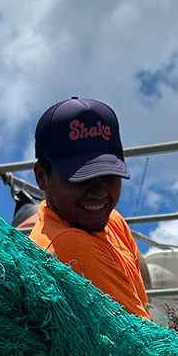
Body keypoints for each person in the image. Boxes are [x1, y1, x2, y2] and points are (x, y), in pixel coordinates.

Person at [29, 96, 151, 319]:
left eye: (109, 176)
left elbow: (143, 303)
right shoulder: (67, 244)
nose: (99, 192)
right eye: (81, 177)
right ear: (41, 177)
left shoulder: (112, 221)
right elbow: (144, 345)